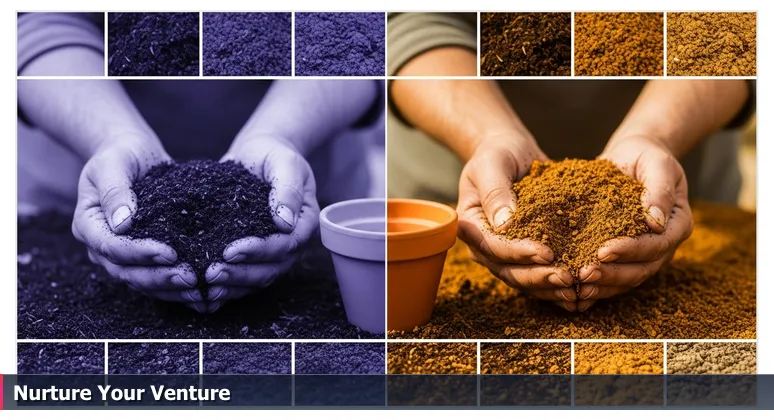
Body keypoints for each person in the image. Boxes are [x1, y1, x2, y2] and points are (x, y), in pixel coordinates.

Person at [387, 13, 755, 312]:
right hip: (451, 214)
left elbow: (732, 25)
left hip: (688, 203)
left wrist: (656, 135)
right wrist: (487, 137)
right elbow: (409, 20)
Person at [18, 15, 384, 314]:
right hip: (73, 173)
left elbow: (352, 29)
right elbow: (40, 19)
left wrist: (282, 135)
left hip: (307, 164)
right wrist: (110, 137)